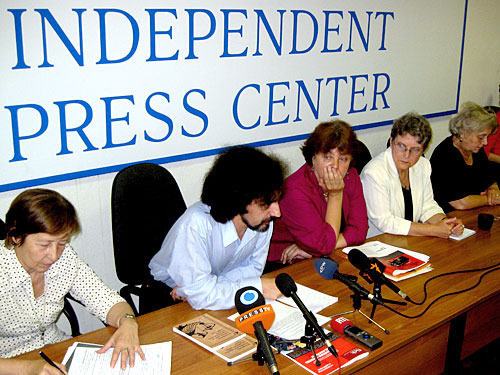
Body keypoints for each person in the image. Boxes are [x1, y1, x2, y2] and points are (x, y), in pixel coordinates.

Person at [0, 189, 144, 373]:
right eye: (44, 245)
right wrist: (28, 368)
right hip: (11, 363)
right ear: (16, 236)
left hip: (56, 351)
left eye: (61, 243)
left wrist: (128, 322)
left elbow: (105, 299)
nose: (53, 255)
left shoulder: (65, 258)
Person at [149, 146, 285, 310]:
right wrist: (258, 287)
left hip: (205, 293)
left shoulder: (261, 221)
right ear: (239, 200)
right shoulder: (196, 224)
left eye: (276, 200)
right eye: (267, 203)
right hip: (166, 296)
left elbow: (253, 270)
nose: (277, 212)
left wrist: (202, 288)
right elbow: (202, 297)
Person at [266, 120, 368, 270]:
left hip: (322, 256)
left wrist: (311, 250)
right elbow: (324, 245)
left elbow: (360, 230)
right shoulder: (294, 190)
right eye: (328, 157)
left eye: (343, 159)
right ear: (313, 158)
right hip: (287, 264)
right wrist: (335, 195)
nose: (335, 166)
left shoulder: (350, 176)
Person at [361, 112, 463, 238]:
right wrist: (434, 230)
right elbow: (385, 222)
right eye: (401, 146)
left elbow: (427, 206)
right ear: (392, 142)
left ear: (423, 150)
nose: (406, 155)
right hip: (380, 242)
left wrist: (445, 222)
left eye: (415, 149)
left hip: (409, 240)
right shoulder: (374, 173)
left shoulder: (423, 165)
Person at [430, 102, 500, 212]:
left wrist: (493, 188)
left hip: (475, 211)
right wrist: (490, 199)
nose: (485, 142)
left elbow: (489, 177)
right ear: (463, 133)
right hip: (449, 216)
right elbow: (460, 203)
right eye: (481, 137)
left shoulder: (475, 149)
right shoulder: (445, 155)